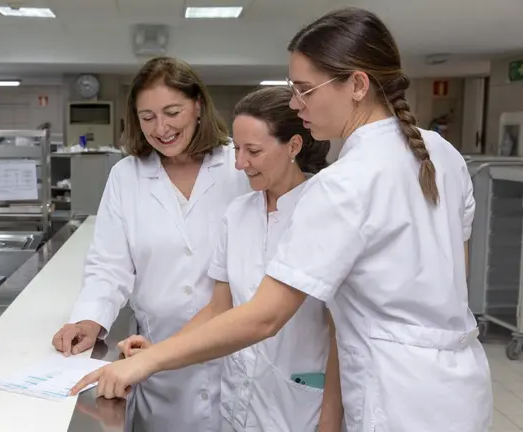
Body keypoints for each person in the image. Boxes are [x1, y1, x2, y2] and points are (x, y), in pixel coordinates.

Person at [71, 7, 493, 432]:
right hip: (459, 389)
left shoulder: (342, 183)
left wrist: (146, 362)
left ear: (358, 85)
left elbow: (263, 316)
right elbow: (456, 273)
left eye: (305, 90)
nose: (295, 103)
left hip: (394, 398)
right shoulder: (442, 153)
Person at [119, 86, 342, 432]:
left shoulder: (324, 209)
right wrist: (157, 352)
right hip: (236, 402)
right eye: (237, 149)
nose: (239, 163)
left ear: (294, 147)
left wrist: (329, 423)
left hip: (299, 407)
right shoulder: (238, 213)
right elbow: (219, 308)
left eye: (252, 151)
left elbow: (339, 331)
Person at [52, 56, 251, 432]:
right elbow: (109, 265)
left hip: (235, 354)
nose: (161, 128)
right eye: (147, 117)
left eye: (172, 111)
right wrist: (89, 319)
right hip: (157, 361)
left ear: (197, 105)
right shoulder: (127, 176)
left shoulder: (237, 165)